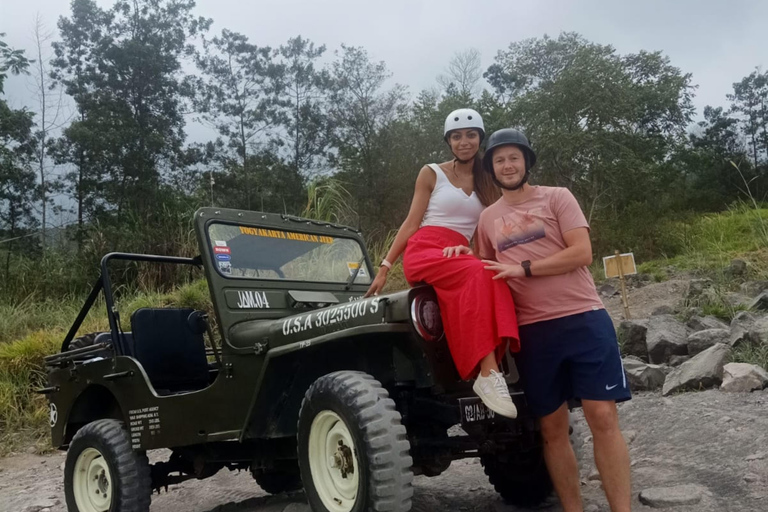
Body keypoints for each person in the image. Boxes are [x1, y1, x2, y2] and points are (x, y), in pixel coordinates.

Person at [445, 128, 632, 512]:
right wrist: (455, 250)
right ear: (491, 168)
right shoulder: (488, 219)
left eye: (514, 157)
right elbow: (483, 268)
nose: (507, 165)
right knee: (551, 429)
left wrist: (524, 269)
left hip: (583, 319)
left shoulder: (558, 198)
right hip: (532, 333)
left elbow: (582, 253)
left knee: (602, 416)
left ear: (527, 162)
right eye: (499, 160)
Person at [364, 109, 520, 418]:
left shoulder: (488, 179)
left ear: (480, 139)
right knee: (478, 272)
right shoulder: (431, 172)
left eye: (471, 135)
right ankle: (487, 374)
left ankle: (506, 367)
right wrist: (384, 267)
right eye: (457, 136)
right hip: (425, 250)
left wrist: (474, 252)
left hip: (459, 253)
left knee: (492, 273)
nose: (464, 142)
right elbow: (410, 224)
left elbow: (492, 228)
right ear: (448, 141)